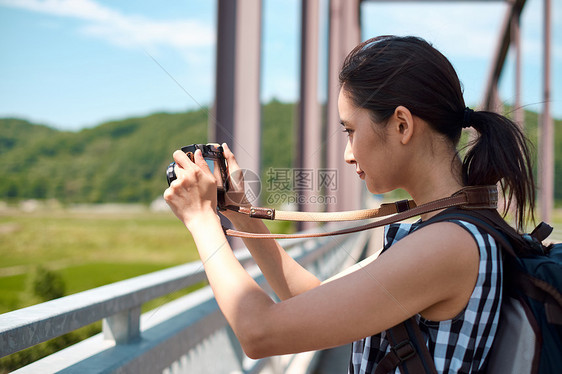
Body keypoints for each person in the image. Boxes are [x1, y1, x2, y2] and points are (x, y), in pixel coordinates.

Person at [164, 36, 536, 373]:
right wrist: (236, 209)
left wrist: (200, 219)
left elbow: (259, 334)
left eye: (350, 131)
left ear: (402, 125)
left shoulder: (447, 244)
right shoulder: (441, 230)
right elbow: (312, 300)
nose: (346, 153)